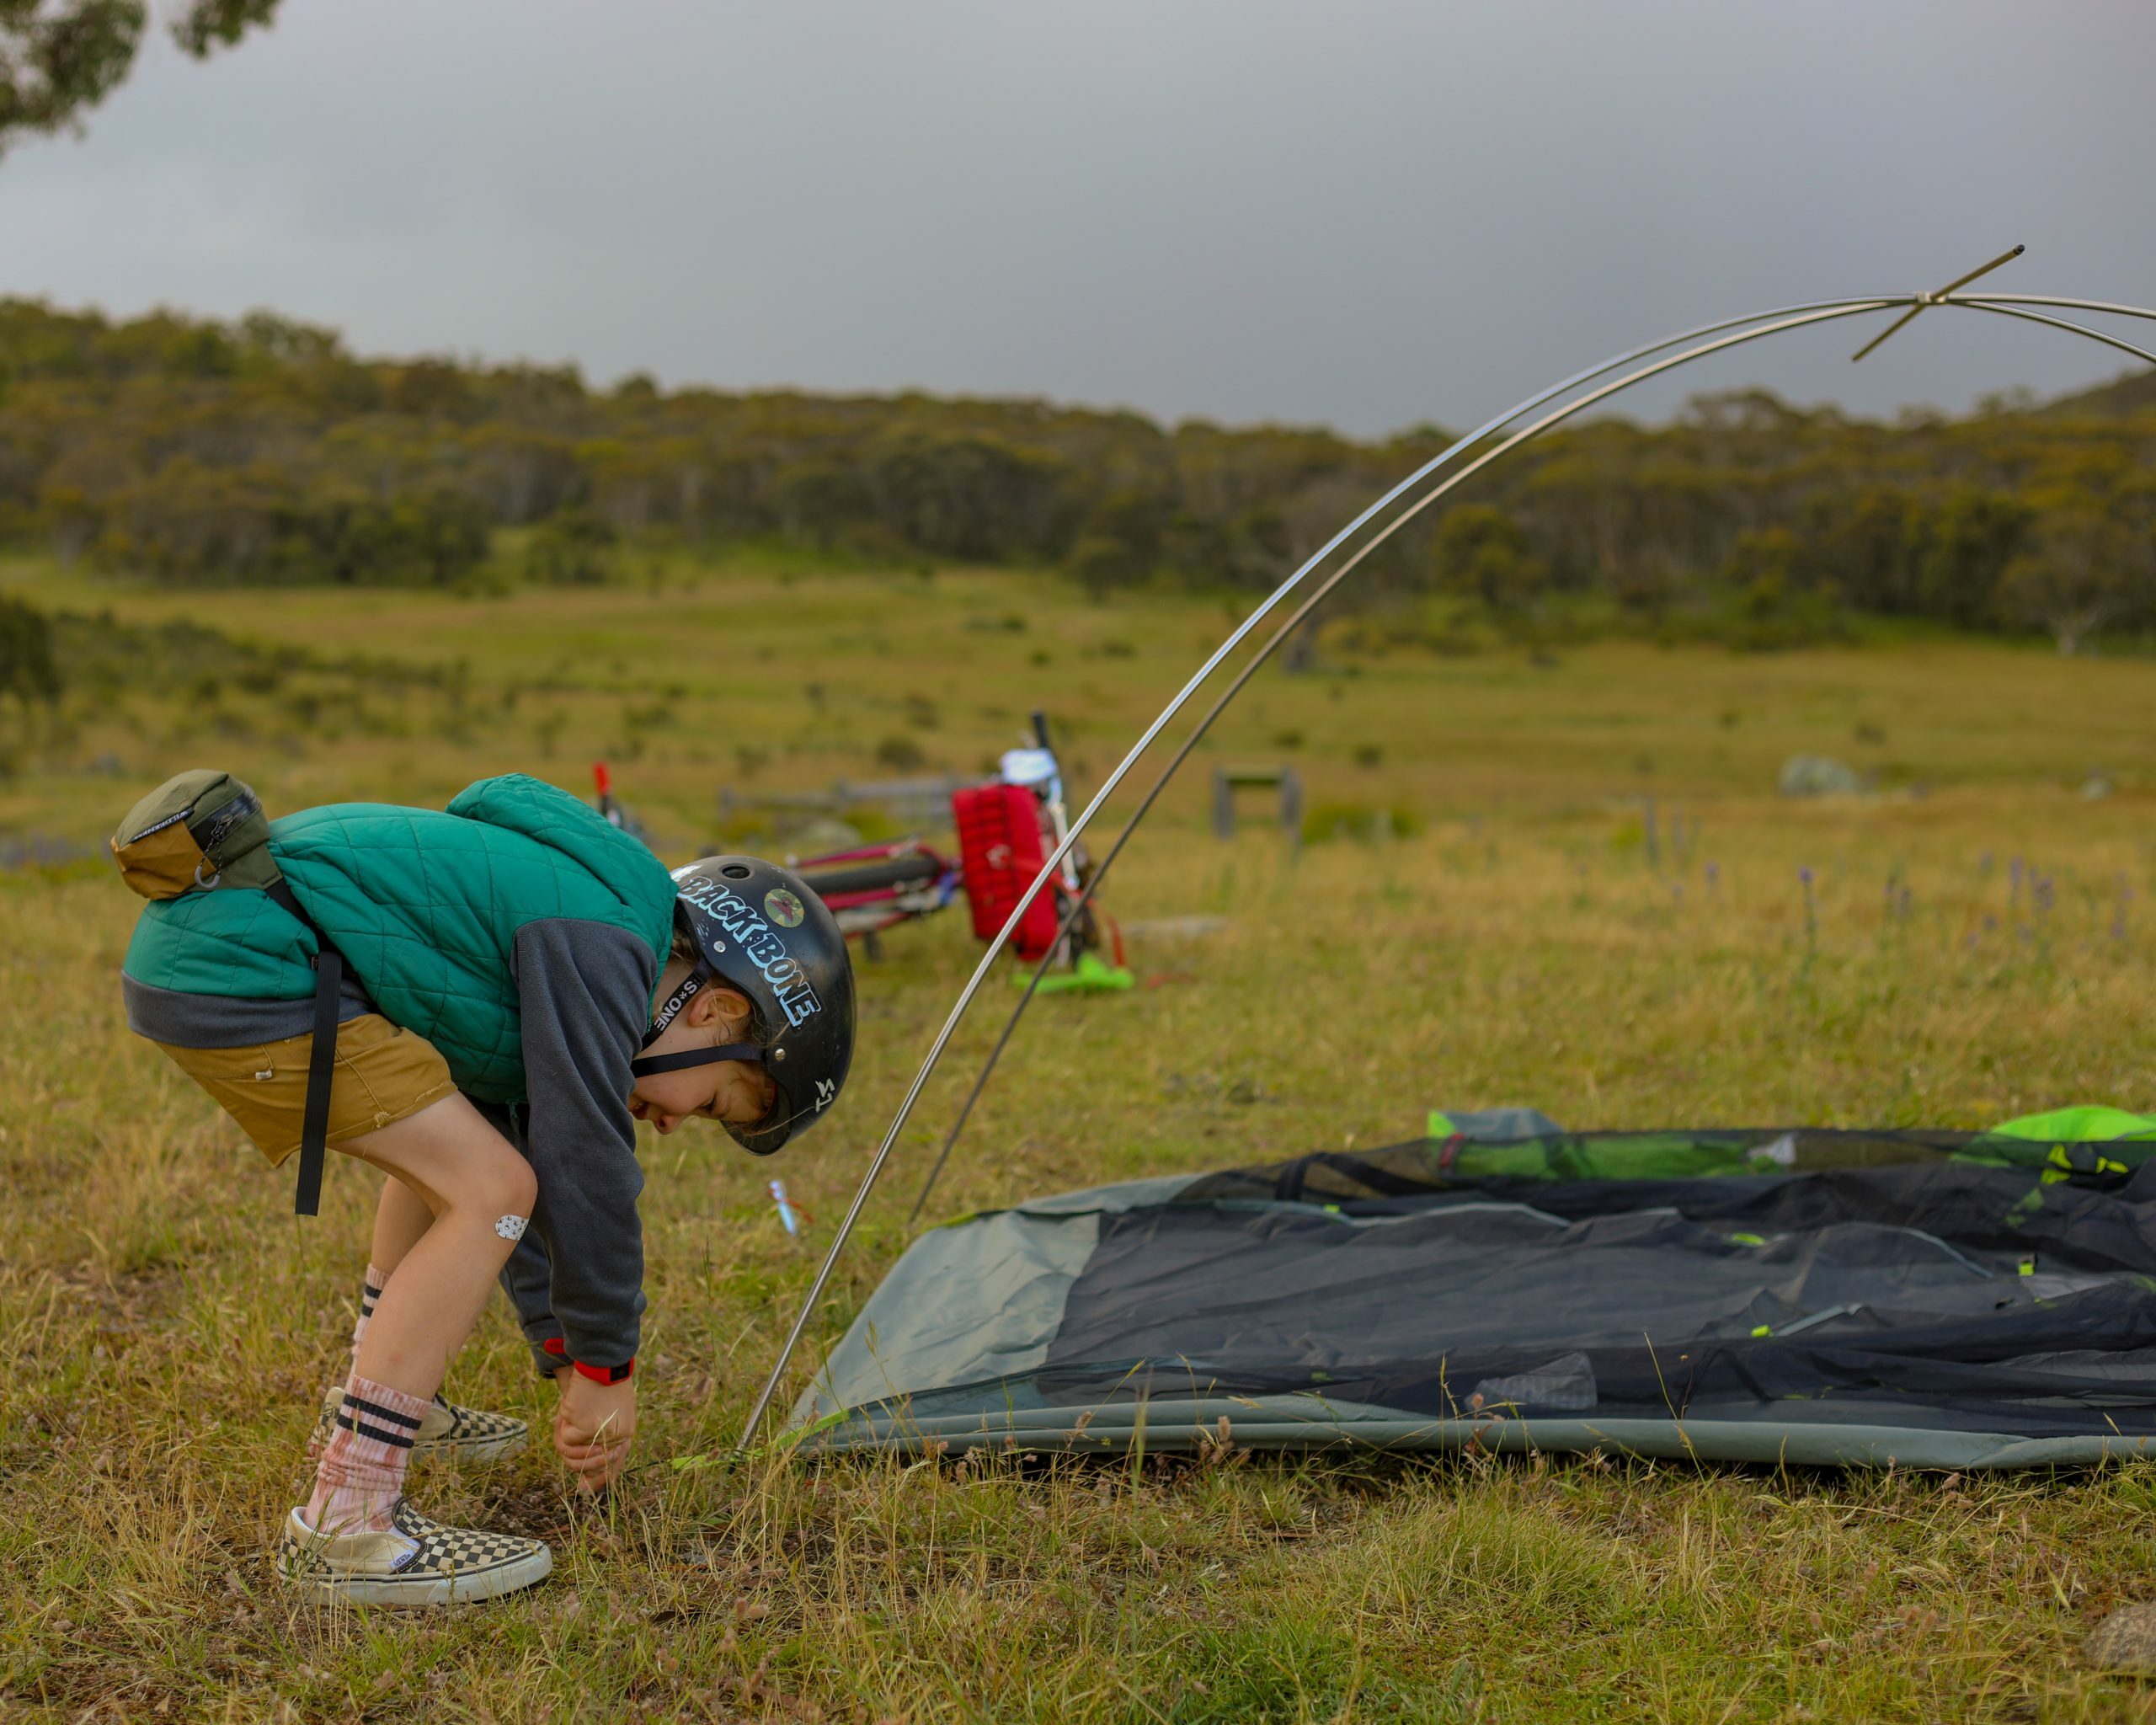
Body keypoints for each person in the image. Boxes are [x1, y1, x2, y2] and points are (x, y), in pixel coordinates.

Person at [112, 771, 854, 1605]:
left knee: (466, 1163)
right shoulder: (604, 943)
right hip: (245, 967)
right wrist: (608, 1368)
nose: (679, 1122)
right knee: (484, 1186)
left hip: (223, 949)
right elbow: (583, 1172)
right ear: (714, 1009)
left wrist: (563, 1352)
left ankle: (387, 1403)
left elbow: (524, 1141)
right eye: (717, 1100)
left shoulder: (596, 924)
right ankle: (347, 1518)